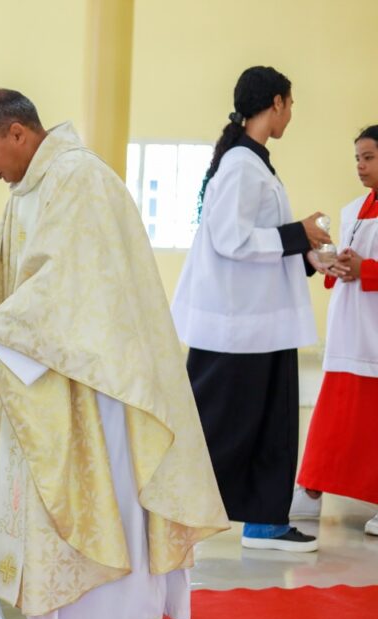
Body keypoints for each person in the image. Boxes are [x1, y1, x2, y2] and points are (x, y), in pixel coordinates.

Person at [0, 89, 228, 619]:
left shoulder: (79, 179)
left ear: (18, 133)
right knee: (56, 514)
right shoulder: (31, 188)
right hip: (53, 376)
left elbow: (64, 286)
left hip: (98, 384)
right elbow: (0, 273)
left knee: (96, 507)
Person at [171, 66, 333, 553]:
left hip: (261, 324)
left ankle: (265, 521)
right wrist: (299, 233)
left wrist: (309, 254)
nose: (291, 114)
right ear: (276, 103)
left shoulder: (254, 161)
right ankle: (172, 514)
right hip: (236, 327)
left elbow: (259, 238)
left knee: (270, 425)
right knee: (221, 429)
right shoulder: (242, 164)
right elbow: (231, 239)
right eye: (291, 104)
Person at [295, 125, 378, 536]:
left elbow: (368, 267)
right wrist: (336, 266)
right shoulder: (352, 210)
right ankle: (309, 490)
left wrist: (367, 270)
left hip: (374, 331)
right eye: (357, 159)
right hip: (349, 329)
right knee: (335, 418)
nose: (360, 166)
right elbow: (343, 270)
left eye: (369, 158)